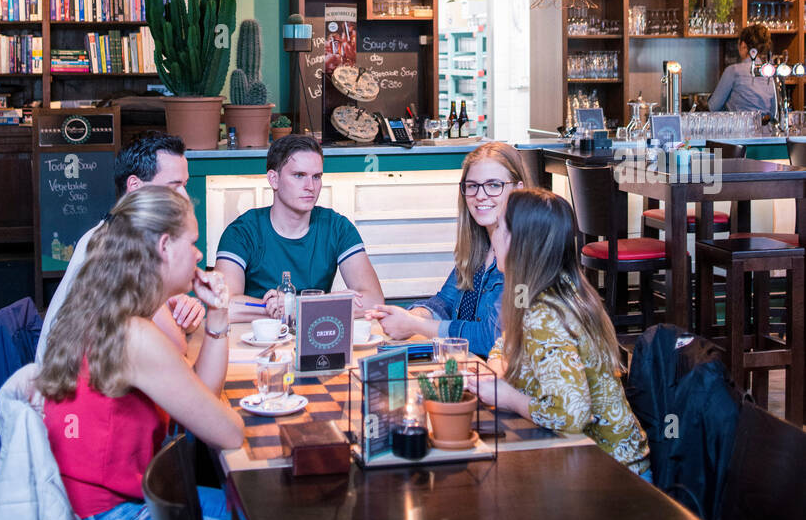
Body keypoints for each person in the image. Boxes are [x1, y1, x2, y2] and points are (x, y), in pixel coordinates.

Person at [40, 185, 245, 520]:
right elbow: (229, 432)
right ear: (165, 247)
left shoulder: (109, 311)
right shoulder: (134, 336)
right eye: (194, 242)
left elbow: (201, 397)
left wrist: (217, 314)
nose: (201, 255)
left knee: (248, 515)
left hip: (95, 505)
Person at [469, 187, 651, 478]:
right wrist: (498, 367)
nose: (493, 236)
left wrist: (508, 397)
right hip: (612, 461)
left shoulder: (545, 314)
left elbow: (571, 415)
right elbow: (505, 343)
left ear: (521, 244)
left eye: (500, 227)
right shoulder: (559, 287)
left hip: (612, 477)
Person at [36, 133, 204, 363]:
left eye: (185, 185)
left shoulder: (119, 232)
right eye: (173, 186)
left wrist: (182, 312)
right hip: (70, 384)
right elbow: (175, 345)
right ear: (134, 186)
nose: (184, 196)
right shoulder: (116, 246)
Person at [366, 142, 525, 357]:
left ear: (518, 189)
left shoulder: (525, 253)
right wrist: (415, 315)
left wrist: (415, 325)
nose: (480, 195)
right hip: (469, 369)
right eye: (472, 185)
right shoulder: (479, 245)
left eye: (494, 185)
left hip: (503, 381)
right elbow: (446, 301)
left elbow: (494, 338)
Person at [215, 134, 384, 313]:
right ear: (274, 179)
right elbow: (223, 304)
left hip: (315, 335)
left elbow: (374, 300)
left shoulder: (337, 227)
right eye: (299, 175)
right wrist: (273, 307)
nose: (310, 186)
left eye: (317, 177)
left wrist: (297, 305)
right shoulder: (241, 232)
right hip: (257, 337)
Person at [708, 22, 778, 114]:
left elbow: (713, 106)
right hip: (764, 127)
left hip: (739, 127)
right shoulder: (768, 73)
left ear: (743, 45)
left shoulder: (733, 71)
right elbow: (773, 112)